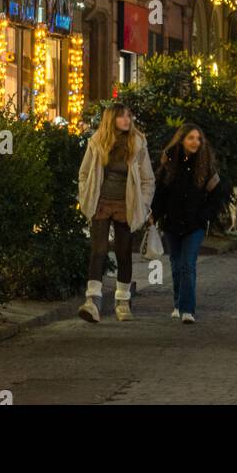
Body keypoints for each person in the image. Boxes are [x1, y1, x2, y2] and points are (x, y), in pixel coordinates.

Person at [77, 103, 155, 322]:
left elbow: (148, 179)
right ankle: (92, 301)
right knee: (98, 251)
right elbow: (84, 173)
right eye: (121, 116)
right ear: (111, 119)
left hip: (126, 204)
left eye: (129, 116)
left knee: (123, 252)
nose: (126, 120)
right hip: (101, 203)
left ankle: (123, 301)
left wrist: (144, 204)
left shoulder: (138, 143)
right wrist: (86, 198)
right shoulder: (97, 142)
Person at [151, 122, 220, 323]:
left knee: (188, 265)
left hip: (194, 224)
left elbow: (215, 196)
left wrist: (204, 216)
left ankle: (187, 309)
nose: (195, 142)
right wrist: (155, 214)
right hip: (171, 223)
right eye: (191, 138)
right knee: (176, 264)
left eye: (198, 138)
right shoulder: (169, 164)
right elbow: (161, 193)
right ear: (181, 140)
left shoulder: (206, 166)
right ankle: (177, 303)